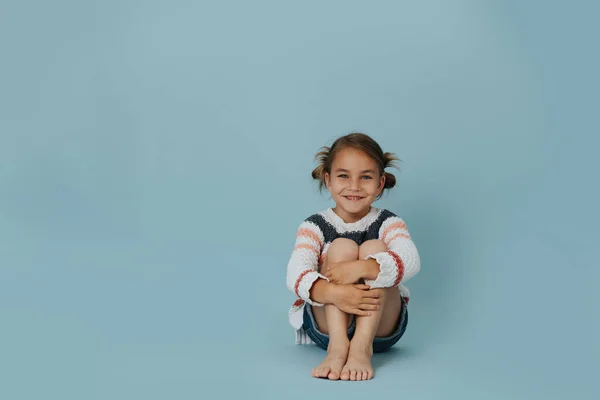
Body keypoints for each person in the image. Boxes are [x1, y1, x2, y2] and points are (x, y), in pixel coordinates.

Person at [286, 132, 421, 381]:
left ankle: (361, 347)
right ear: (328, 180)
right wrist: (334, 293)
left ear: (380, 184)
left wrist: (363, 268)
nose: (354, 186)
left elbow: (411, 259)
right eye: (343, 176)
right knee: (340, 247)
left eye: (366, 177)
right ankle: (338, 347)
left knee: (375, 247)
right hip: (327, 326)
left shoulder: (388, 222)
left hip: (381, 328)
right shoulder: (314, 225)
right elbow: (295, 272)